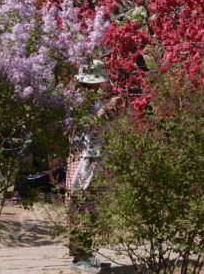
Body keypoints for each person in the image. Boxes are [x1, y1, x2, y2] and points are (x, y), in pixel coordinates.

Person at [66, 60, 119, 273]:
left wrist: (111, 111)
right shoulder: (78, 100)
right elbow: (87, 124)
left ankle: (86, 253)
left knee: (89, 207)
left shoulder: (90, 99)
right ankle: (80, 256)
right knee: (80, 207)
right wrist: (107, 110)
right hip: (83, 159)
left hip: (92, 156)